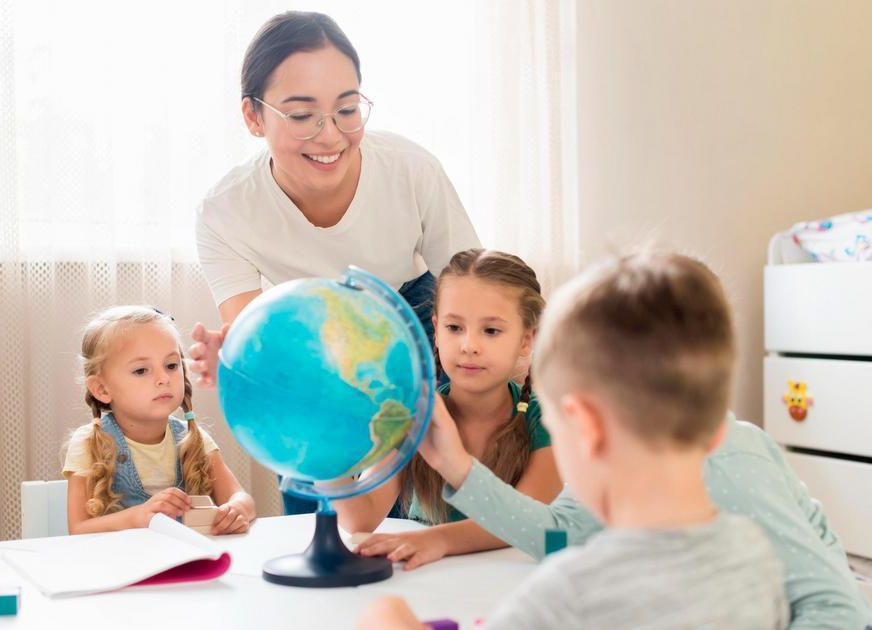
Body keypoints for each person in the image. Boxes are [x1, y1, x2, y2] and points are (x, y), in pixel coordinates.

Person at [359, 252, 790, 629]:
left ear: (586, 431)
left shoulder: (573, 589)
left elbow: (551, 536)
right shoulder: (756, 556)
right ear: (716, 431)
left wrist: (385, 614)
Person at [191, 11, 480, 514]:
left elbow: (476, 290)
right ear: (253, 117)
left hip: (416, 314)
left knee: (426, 499)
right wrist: (234, 355)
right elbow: (258, 341)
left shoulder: (411, 170)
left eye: (347, 110)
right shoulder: (225, 211)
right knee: (315, 485)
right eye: (302, 116)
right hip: (305, 335)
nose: (330, 136)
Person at [335, 249, 560, 570]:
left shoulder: (546, 421)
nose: (469, 345)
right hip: (429, 579)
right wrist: (322, 451)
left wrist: (436, 540)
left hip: (512, 582)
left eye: (491, 330)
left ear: (527, 340)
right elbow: (361, 518)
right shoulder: (413, 414)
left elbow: (527, 520)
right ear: (436, 330)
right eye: (455, 328)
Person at [62, 306, 256, 535]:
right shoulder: (89, 443)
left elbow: (243, 499)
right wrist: (138, 517)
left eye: (171, 365)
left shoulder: (194, 440)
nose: (163, 378)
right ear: (102, 389)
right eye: (141, 370)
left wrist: (236, 510)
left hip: (188, 563)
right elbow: (79, 529)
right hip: (121, 566)